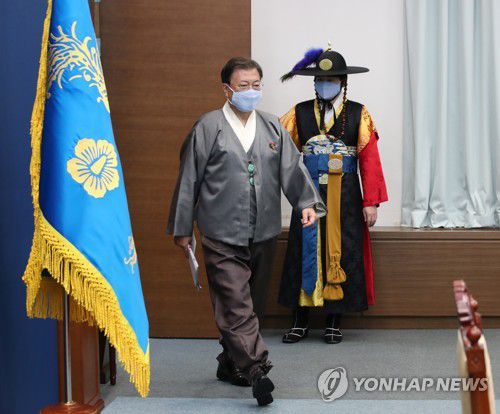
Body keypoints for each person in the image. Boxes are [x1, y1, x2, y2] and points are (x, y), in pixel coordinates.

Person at [167, 57, 326, 406]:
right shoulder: (208, 127)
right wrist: (183, 227)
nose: (251, 91)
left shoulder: (271, 127)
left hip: (263, 229)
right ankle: (256, 370)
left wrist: (307, 204)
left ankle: (230, 363)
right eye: (243, 85)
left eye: (256, 85)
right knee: (235, 301)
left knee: (251, 303)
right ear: (227, 89)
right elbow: (188, 178)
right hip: (220, 232)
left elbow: (292, 169)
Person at [278, 44, 388, 345]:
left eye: (331, 80)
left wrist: (371, 201)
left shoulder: (358, 113)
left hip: (347, 195)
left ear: (343, 82)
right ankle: (300, 320)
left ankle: (334, 321)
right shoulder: (299, 112)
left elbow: (370, 159)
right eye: (320, 80)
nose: (325, 84)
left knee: (343, 250)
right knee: (303, 249)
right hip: (308, 193)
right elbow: (281, 151)